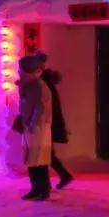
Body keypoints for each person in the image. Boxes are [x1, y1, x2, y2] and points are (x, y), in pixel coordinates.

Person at [12, 55, 53, 201]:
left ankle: (42, 189)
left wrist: (32, 124)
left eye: (21, 70)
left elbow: (41, 108)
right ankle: (36, 188)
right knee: (32, 158)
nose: (19, 72)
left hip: (37, 127)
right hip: (30, 126)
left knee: (38, 159)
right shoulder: (29, 85)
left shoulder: (39, 86)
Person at [38, 53, 74, 189]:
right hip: (47, 123)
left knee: (44, 153)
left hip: (45, 123)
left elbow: (47, 106)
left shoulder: (44, 82)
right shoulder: (45, 81)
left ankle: (50, 181)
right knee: (46, 152)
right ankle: (63, 176)